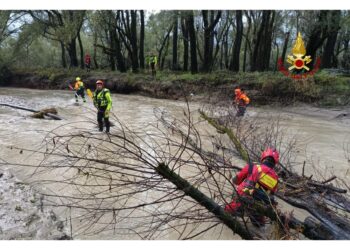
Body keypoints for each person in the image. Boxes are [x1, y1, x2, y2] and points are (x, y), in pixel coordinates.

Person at [224, 148, 279, 227]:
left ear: (263, 157)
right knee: (260, 226)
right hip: (259, 205)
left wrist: (233, 179)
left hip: (244, 197)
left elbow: (237, 181)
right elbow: (272, 194)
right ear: (275, 162)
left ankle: (237, 210)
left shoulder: (253, 166)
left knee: (224, 215)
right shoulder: (276, 177)